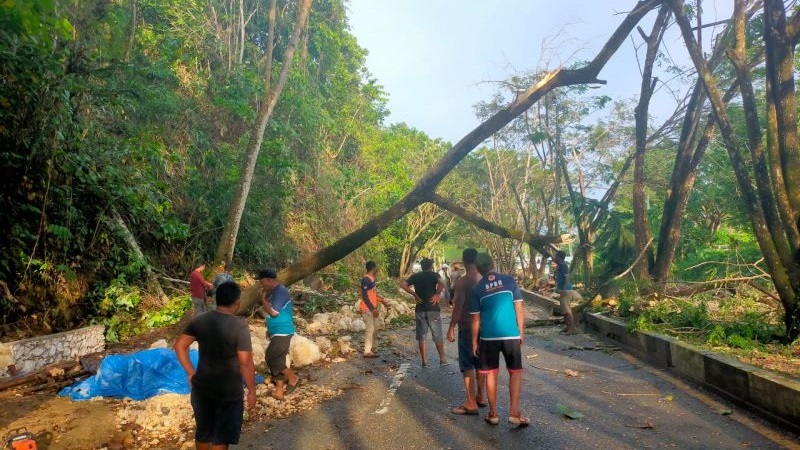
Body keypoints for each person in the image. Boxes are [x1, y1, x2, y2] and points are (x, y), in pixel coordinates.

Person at [174, 281, 257, 449]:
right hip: (228, 390)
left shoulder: (200, 320)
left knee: (204, 432)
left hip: (202, 386)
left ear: (217, 300)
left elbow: (179, 346)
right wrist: (252, 390)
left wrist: (191, 372)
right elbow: (245, 361)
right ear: (237, 303)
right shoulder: (239, 325)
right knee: (221, 436)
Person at [469, 253, 529, 427]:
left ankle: (493, 414)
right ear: (493, 263)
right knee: (515, 372)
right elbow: (519, 308)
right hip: (511, 334)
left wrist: (474, 342)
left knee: (491, 374)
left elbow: (475, 320)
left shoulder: (477, 288)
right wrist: (521, 332)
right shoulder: (509, 280)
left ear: (478, 269)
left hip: (488, 338)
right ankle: (514, 414)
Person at [446, 248, 487, 416]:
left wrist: (451, 327)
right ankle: (480, 396)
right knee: (481, 363)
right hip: (485, 327)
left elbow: (459, 306)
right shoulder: (484, 279)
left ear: (464, 261)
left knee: (468, 364)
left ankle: (471, 402)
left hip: (467, 327)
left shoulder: (464, 282)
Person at [257, 269, 300, 401]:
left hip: (283, 331)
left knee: (271, 357)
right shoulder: (274, 292)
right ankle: (279, 391)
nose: (261, 284)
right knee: (278, 360)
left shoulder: (280, 291)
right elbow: (273, 314)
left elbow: (274, 312)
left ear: (269, 280)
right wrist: (270, 329)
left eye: (262, 281)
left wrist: (262, 299)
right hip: (277, 332)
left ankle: (293, 378)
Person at [400, 257, 447, 367]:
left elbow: (403, 285)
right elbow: (442, 283)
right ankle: (442, 359)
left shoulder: (415, 276)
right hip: (433, 309)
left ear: (421, 266)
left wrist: (415, 295)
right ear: (430, 266)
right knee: (437, 334)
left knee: (422, 336)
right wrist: (436, 294)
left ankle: (424, 362)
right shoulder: (434, 275)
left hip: (420, 309)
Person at [359, 261, 383, 358]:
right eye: (376, 267)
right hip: (367, 309)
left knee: (376, 327)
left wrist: (382, 300)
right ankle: (367, 351)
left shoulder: (372, 279)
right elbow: (365, 296)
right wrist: (373, 309)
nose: (377, 269)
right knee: (370, 329)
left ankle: (371, 348)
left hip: (373, 308)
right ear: (373, 268)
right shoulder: (365, 280)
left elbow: (372, 294)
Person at [553, 250, 579, 334]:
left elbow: (567, 278)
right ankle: (568, 327)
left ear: (559, 257)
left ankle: (572, 328)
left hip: (566, 290)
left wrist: (564, 289)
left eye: (556, 256)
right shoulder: (560, 265)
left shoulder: (563, 265)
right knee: (564, 311)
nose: (555, 257)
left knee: (567, 310)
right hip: (563, 290)